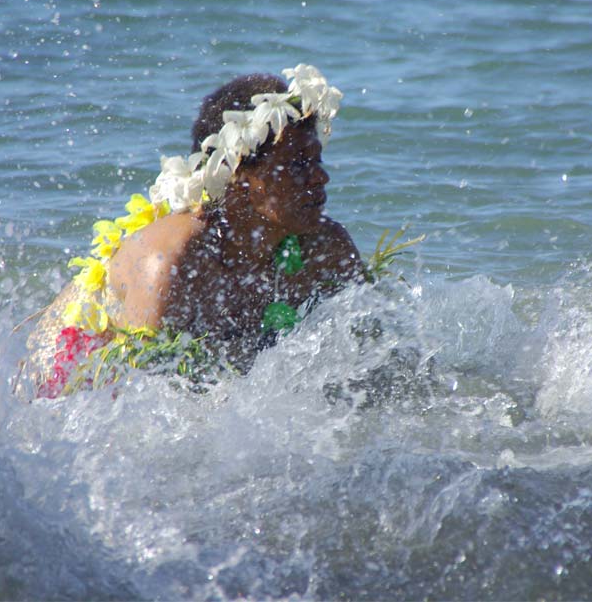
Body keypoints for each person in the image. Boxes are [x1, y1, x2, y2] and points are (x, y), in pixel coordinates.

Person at [22, 65, 363, 397]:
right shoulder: (172, 261)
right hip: (68, 386)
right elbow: (137, 398)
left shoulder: (325, 249)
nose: (321, 178)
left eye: (316, 160)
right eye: (298, 164)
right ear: (238, 176)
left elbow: (367, 353)